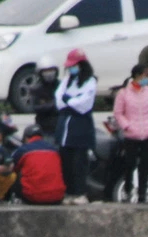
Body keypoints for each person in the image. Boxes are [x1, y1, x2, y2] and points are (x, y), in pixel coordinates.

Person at [111, 63, 148, 201]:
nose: (146, 78)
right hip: (131, 135)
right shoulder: (124, 93)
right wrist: (126, 126)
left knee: (145, 165)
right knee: (130, 164)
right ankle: (128, 189)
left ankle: (142, 194)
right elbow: (118, 113)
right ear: (137, 76)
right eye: (144, 75)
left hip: (147, 134)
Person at [55, 50, 96, 204]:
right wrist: (70, 100)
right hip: (65, 125)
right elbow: (59, 100)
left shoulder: (90, 81)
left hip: (80, 126)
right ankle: (69, 192)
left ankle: (80, 192)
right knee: (66, 161)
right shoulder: (67, 80)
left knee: (79, 161)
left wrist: (69, 100)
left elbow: (83, 104)